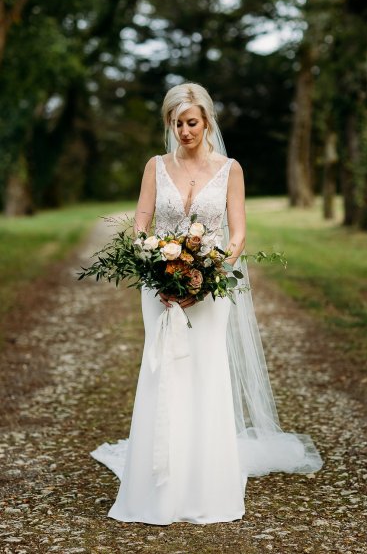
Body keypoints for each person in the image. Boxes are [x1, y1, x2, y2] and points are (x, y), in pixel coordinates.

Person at [91, 82, 323, 525]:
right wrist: (152, 262)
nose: (184, 131)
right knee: (165, 371)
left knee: (205, 371)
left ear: (207, 121)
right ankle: (158, 485)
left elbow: (237, 233)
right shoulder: (155, 167)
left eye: (191, 122)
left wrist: (210, 272)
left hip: (213, 288)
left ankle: (205, 482)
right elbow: (142, 221)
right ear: (169, 125)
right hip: (159, 288)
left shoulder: (229, 168)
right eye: (176, 123)